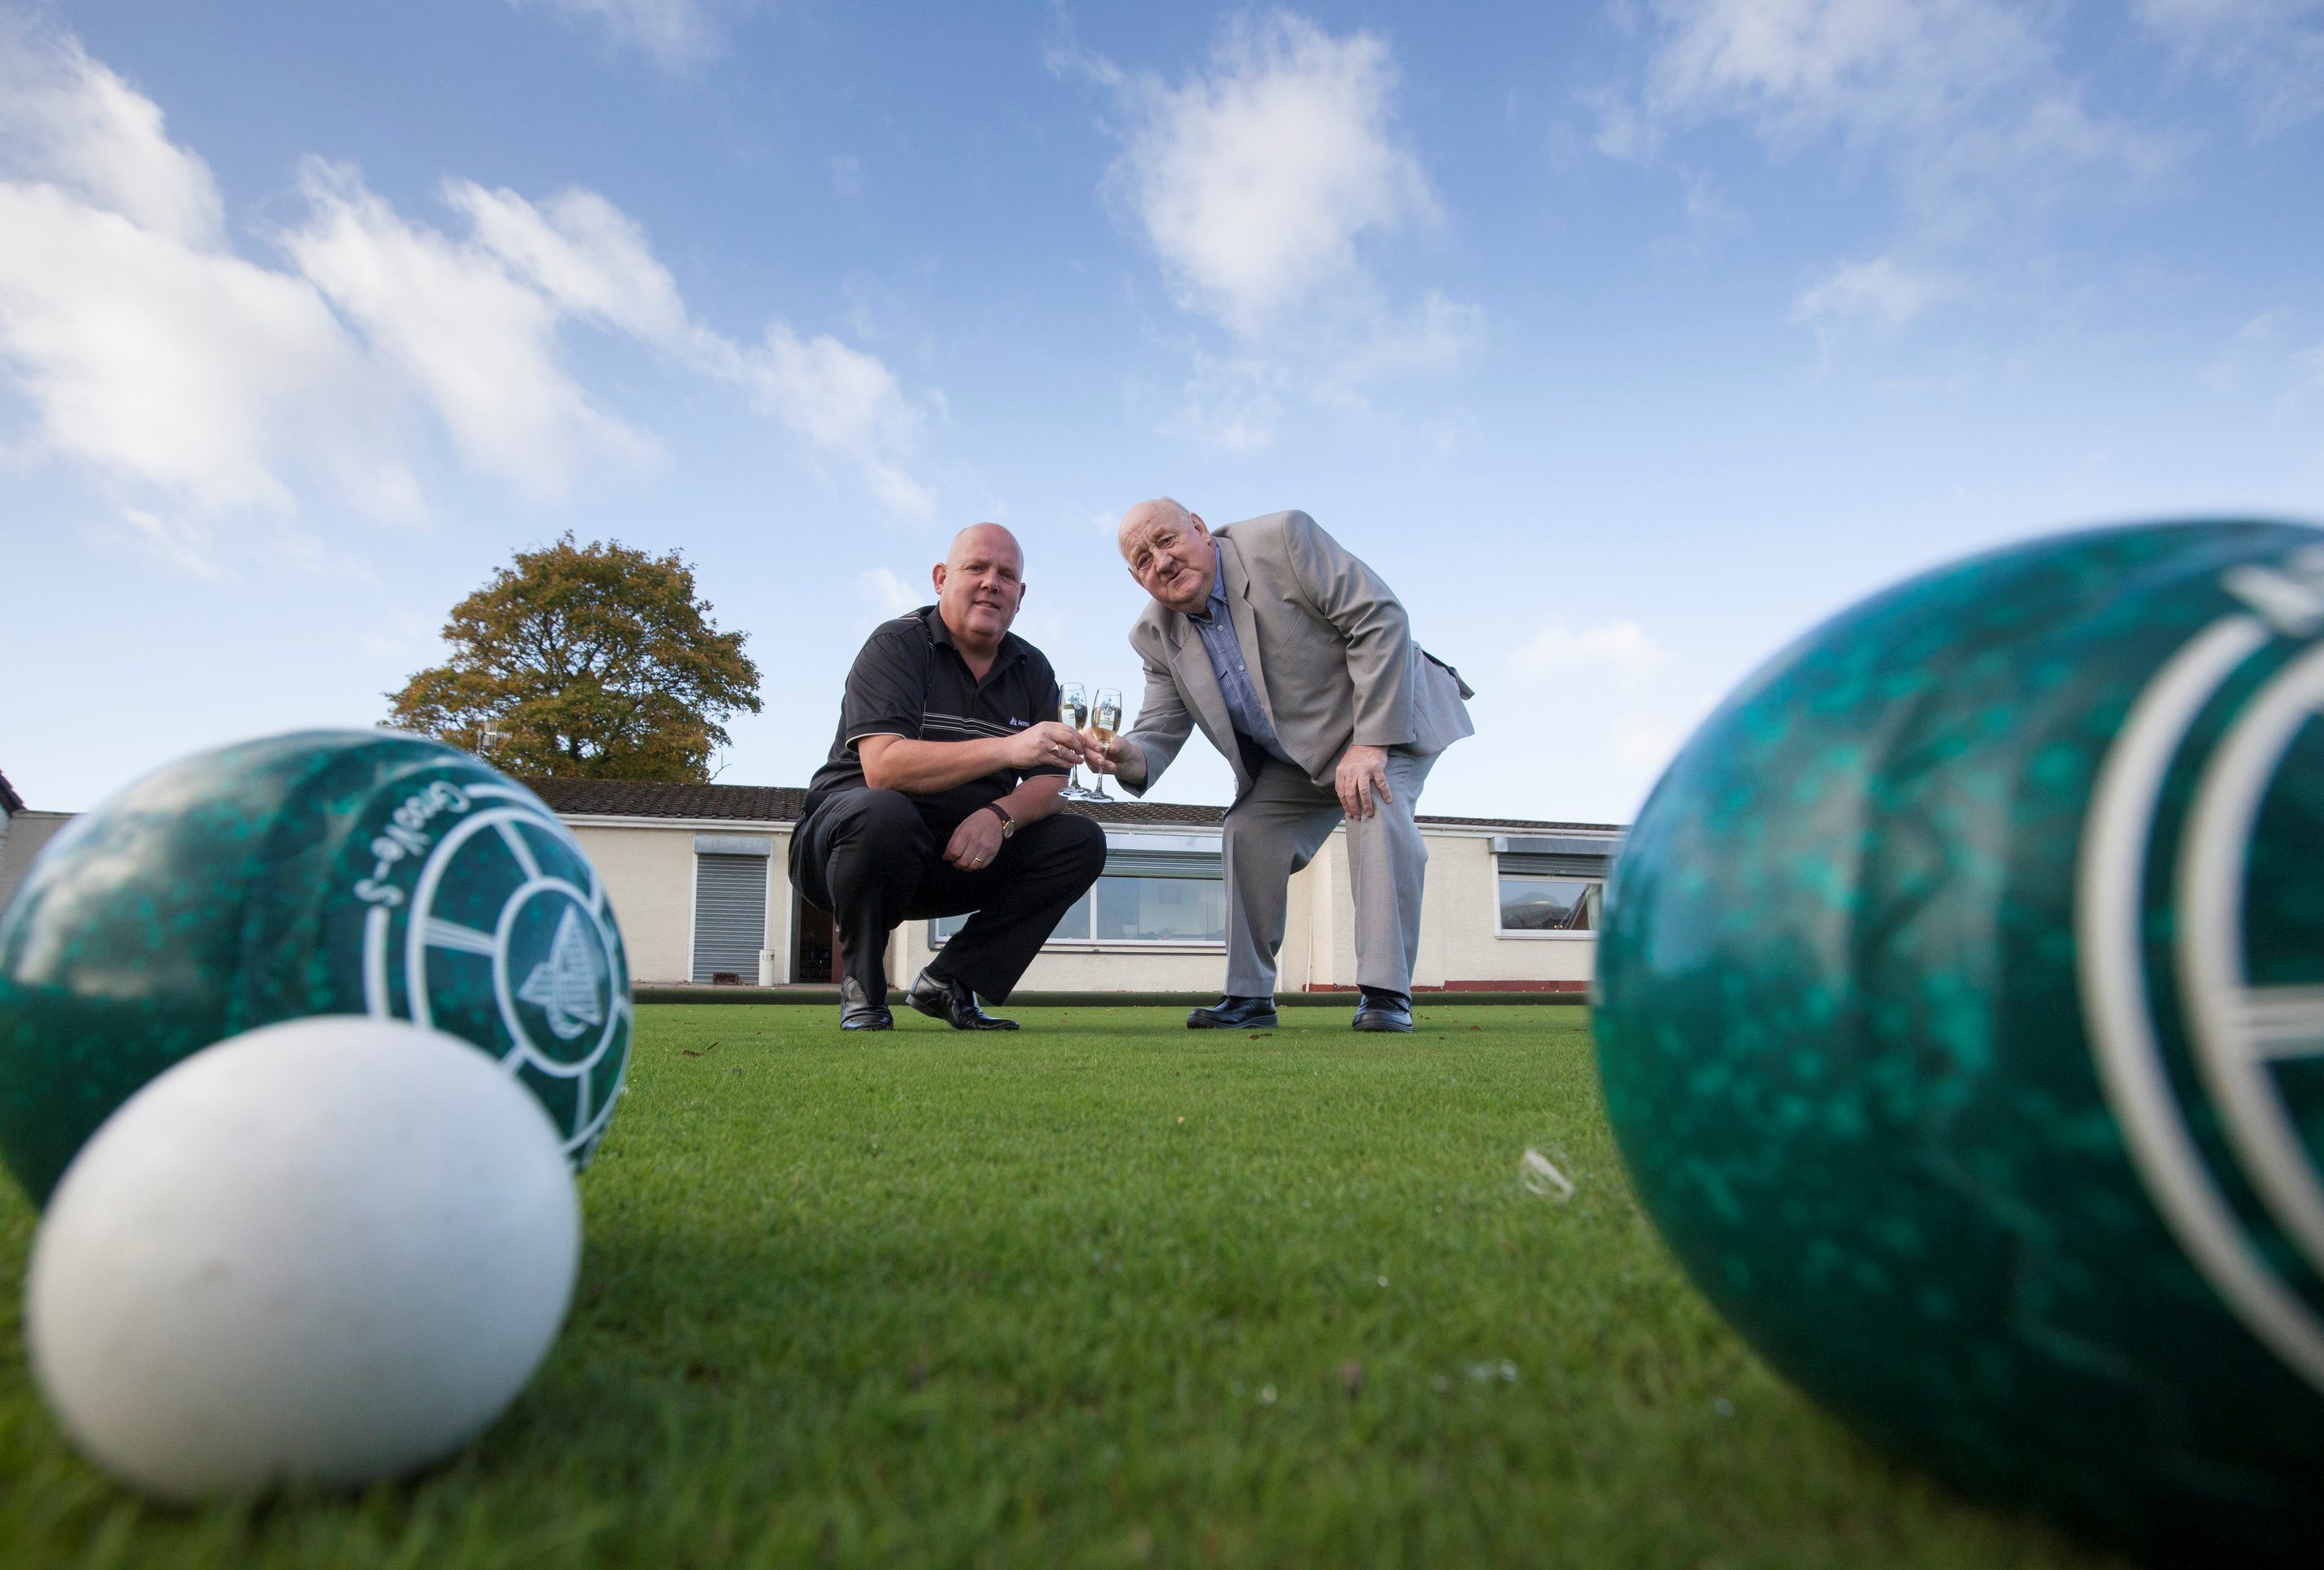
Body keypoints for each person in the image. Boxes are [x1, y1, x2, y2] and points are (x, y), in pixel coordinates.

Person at [1086, 500, 1474, 1033]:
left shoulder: (1282, 540)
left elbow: (1379, 619)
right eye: (1143, 558)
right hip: (1296, 758)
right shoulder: (1154, 636)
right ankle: (1249, 996)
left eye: (1166, 540)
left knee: (1373, 802)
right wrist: (1123, 754)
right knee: (1246, 828)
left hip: (1385, 717)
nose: (1162, 560)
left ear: (1199, 528)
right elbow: (1157, 728)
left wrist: (1368, 743)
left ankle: (1386, 994)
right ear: (1137, 578)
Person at [791, 523, 1107, 1031]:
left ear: (1020, 596)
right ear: (941, 578)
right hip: (850, 850)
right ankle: (863, 989)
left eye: (1006, 575)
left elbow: (1052, 785)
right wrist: (1009, 747)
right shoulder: (896, 645)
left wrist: (998, 815)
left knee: (1081, 840)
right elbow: (884, 767)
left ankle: (950, 982)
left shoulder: (1032, 669)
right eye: (975, 568)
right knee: (883, 810)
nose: (991, 583)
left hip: (957, 853)